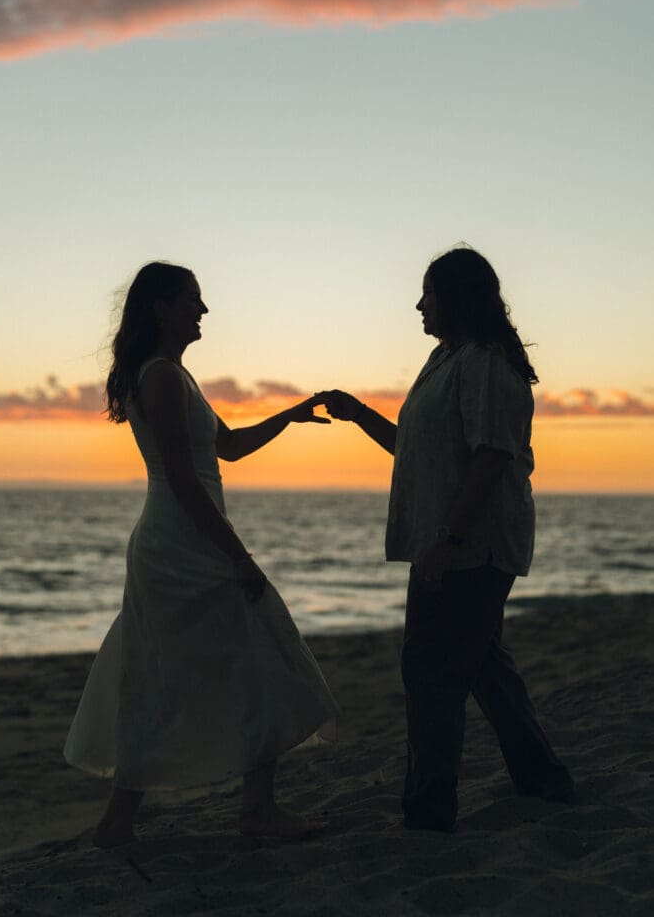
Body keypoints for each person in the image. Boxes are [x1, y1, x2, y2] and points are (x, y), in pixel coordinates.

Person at [64, 261, 338, 847]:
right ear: (161, 307)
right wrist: (239, 558)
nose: (204, 310)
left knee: (163, 675)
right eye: (192, 298)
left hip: (179, 537)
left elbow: (229, 447)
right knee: (256, 657)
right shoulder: (161, 376)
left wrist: (290, 416)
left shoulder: (175, 375)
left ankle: (120, 821)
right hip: (180, 542)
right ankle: (253, 811)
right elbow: (184, 481)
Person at [319, 246, 573, 832]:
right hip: (452, 539)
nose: (419, 304)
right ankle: (543, 778)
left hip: (470, 544)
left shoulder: (485, 363)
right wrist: (358, 413)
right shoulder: (445, 359)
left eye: (429, 293)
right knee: (481, 663)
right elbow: (415, 449)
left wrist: (447, 538)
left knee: (430, 671)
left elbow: (491, 458)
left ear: (455, 297)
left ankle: (429, 809)